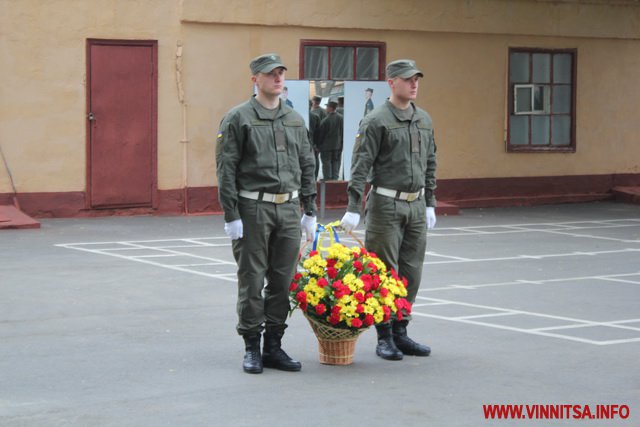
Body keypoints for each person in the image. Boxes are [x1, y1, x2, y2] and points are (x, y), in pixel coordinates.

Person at [216, 53, 318, 374]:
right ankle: (252, 346)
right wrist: (231, 215)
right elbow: (226, 169)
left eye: (281, 73)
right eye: (270, 73)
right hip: (253, 208)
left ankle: (274, 345)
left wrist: (309, 210)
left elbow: (306, 165)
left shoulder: (294, 119)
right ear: (255, 79)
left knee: (282, 280)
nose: (277, 78)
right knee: (251, 278)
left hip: (288, 208)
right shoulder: (238, 118)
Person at [340, 59, 437, 361]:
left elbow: (430, 162)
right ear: (391, 82)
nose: (414, 84)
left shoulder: (423, 119)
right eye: (407, 79)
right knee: (384, 272)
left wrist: (431, 201)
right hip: (386, 203)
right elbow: (360, 165)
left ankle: (401, 331)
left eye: (416, 79)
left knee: (411, 271)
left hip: (416, 204)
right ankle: (384, 336)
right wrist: (354, 206)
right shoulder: (377, 120)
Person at [314, 100, 343, 180]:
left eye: (327, 107)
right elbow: (342, 132)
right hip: (337, 146)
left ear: (330, 108)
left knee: (327, 164)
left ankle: (328, 180)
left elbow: (321, 136)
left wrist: (318, 146)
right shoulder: (341, 118)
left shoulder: (325, 121)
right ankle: (335, 180)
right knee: (336, 163)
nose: (326, 108)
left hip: (326, 147)